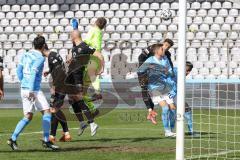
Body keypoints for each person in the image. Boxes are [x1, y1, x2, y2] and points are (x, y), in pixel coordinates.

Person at [7, 36, 59, 150]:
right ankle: (46, 141)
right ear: (43, 45)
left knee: (28, 116)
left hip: (24, 88)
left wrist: (23, 83)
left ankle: (12, 139)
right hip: (33, 90)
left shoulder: (25, 54)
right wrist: (31, 89)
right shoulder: (40, 58)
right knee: (47, 112)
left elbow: (19, 70)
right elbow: (34, 73)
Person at [137, 43, 177, 137]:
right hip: (154, 87)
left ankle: (171, 129)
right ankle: (167, 131)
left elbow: (170, 72)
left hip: (165, 87)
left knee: (173, 108)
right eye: (162, 49)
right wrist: (147, 74)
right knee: (166, 108)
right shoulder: (150, 60)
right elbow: (140, 71)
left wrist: (167, 72)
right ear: (156, 51)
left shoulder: (165, 59)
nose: (164, 51)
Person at [168, 61, 195, 135]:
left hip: (177, 95)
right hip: (170, 95)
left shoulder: (181, 74)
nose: (188, 72)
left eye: (189, 71)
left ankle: (191, 131)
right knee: (172, 112)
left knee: (187, 110)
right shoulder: (174, 71)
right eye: (187, 70)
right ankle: (170, 131)